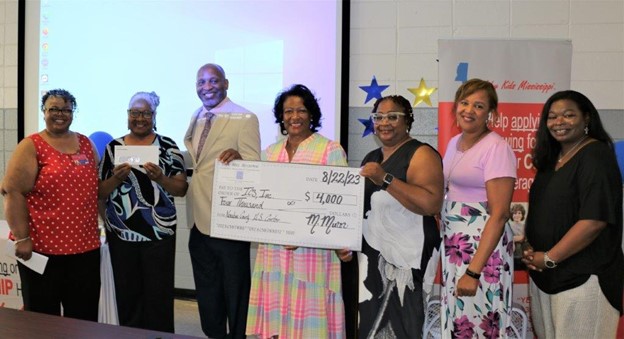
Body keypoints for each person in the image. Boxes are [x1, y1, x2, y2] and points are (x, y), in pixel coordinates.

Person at [246, 84, 352, 338]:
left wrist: (312, 236)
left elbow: (340, 204)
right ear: (281, 116)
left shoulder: (330, 150)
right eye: (288, 111)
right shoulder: (270, 153)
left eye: (301, 110)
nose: (295, 116)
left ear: (312, 114)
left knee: (310, 323)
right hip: (274, 252)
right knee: (277, 321)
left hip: (313, 254)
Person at [522, 90, 623, 338]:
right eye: (552, 116)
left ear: (586, 118)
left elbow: (593, 221)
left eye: (568, 115)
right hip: (546, 278)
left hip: (584, 279)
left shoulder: (596, 155)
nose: (559, 122)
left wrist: (548, 257)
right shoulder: (551, 160)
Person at [1, 89, 101, 320]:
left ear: (73, 112)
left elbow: (95, 189)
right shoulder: (31, 145)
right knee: (43, 317)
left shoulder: (85, 143)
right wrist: (23, 237)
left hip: (84, 248)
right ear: (43, 112)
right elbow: (12, 191)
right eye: (53, 109)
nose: (60, 114)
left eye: (66, 109)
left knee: (84, 315)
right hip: (41, 248)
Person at [98, 91, 188, 332]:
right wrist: (116, 180)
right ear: (128, 116)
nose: (140, 118)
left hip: (159, 235)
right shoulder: (113, 148)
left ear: (154, 115)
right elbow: (100, 192)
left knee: (158, 298)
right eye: (135, 113)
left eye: (146, 113)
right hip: (122, 236)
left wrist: (161, 178)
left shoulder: (168, 146)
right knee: (127, 297)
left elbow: (181, 189)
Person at [184, 63, 261, 339]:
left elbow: (254, 164)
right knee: (207, 291)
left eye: (213, 81)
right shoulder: (198, 116)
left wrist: (241, 160)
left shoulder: (244, 117)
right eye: (201, 82)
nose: (207, 87)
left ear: (226, 83)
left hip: (228, 220)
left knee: (235, 291)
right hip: (197, 219)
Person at [358, 95, 444, 338]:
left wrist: (385, 179)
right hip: (373, 260)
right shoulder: (371, 158)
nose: (384, 122)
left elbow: (431, 203)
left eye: (393, 117)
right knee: (371, 328)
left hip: (407, 263)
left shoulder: (421, 153)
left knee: (406, 326)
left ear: (408, 121)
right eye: (378, 117)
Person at [440, 79, 516, 338]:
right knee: (458, 320)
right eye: (464, 102)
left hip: (482, 252)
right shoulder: (454, 143)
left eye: (478, 105)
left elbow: (500, 213)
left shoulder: (496, 148)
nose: (468, 110)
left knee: (480, 323)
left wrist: (473, 271)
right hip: (456, 248)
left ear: (490, 113)